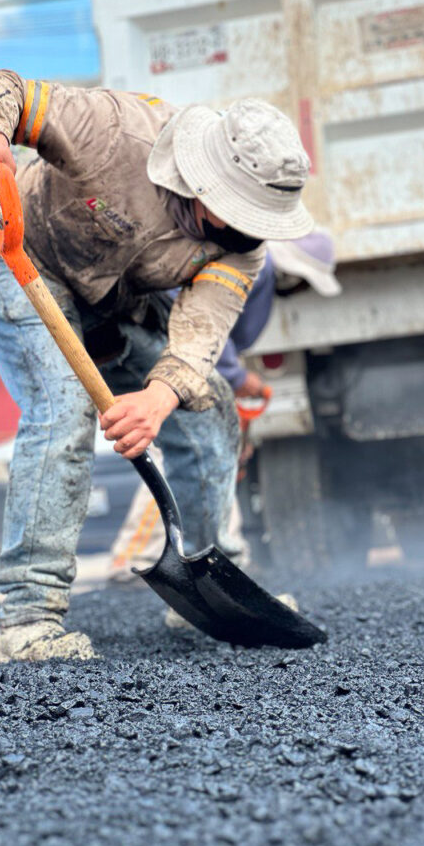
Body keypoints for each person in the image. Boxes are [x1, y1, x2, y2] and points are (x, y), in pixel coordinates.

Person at [0, 71, 334, 663]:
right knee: (63, 407)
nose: (247, 227)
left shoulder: (242, 247)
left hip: (110, 308)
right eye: (239, 209)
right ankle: (28, 619)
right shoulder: (116, 130)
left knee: (209, 403)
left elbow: (195, 343)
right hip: (16, 260)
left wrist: (156, 402)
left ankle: (205, 576)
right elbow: (5, 89)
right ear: (205, 179)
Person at [107, 235, 342, 584]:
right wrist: (235, 376)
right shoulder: (259, 269)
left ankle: (220, 558)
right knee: (191, 454)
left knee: (214, 460)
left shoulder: (254, 268)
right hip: (181, 362)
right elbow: (210, 325)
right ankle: (133, 558)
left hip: (190, 363)